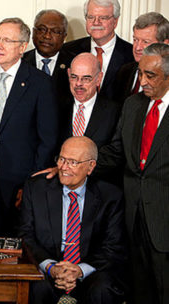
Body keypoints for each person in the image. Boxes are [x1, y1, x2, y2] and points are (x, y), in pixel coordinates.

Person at [37, 43, 169, 304]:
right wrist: (71, 166)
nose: (142, 81)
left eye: (150, 75)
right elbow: (116, 152)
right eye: (140, 73)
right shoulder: (133, 105)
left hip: (164, 220)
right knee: (141, 292)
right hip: (134, 217)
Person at [0, 17, 58, 238]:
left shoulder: (40, 84)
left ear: (23, 47)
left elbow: (48, 140)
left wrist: (31, 183)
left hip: (21, 185)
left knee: (19, 248)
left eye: (7, 40)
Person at [21, 136, 126, 304]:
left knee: (103, 289)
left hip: (89, 271)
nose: (63, 167)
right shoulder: (36, 188)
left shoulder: (110, 196)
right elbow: (25, 235)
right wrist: (50, 267)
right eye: (61, 159)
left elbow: (113, 246)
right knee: (35, 287)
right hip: (49, 268)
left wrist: (79, 270)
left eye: (72, 162)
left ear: (91, 167)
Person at [62, 0, 134, 101]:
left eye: (103, 18)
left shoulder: (132, 54)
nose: (96, 22)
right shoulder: (68, 50)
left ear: (115, 21)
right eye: (91, 17)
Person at [59, 53, 121, 150]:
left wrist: (82, 164)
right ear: (68, 74)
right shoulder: (56, 106)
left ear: (99, 79)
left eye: (86, 78)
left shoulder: (114, 112)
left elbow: (115, 152)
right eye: (74, 77)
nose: (78, 84)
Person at [114, 12, 169, 103]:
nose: (137, 47)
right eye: (135, 40)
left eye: (145, 42)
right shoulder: (124, 71)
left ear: (165, 44)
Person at [23, 9, 74, 102]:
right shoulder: (20, 62)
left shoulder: (74, 64)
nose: (47, 36)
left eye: (55, 31)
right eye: (42, 29)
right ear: (33, 32)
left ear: (64, 37)